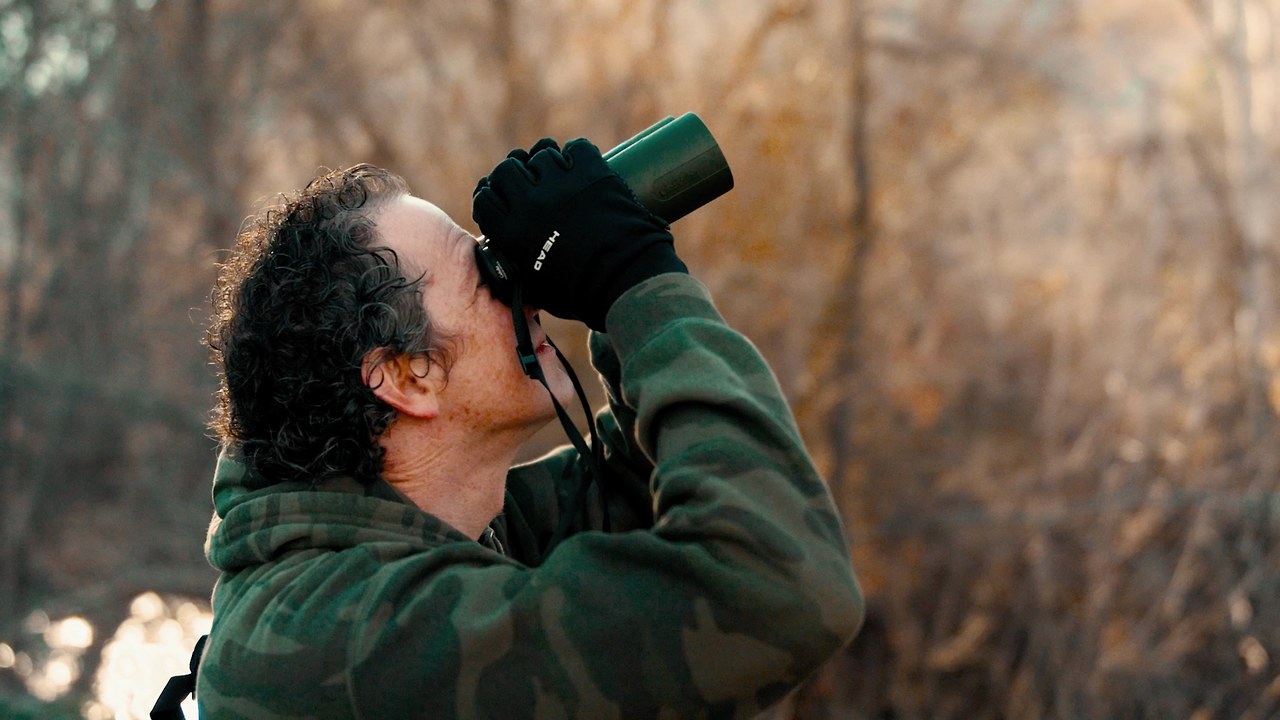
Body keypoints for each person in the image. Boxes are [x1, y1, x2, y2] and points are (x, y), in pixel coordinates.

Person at [193, 138, 863, 718]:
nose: (521, 290)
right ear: (406, 377)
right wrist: (636, 280)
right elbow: (780, 587)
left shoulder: (422, 530)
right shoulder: (347, 639)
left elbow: (648, 494)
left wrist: (606, 265)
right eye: (483, 274)